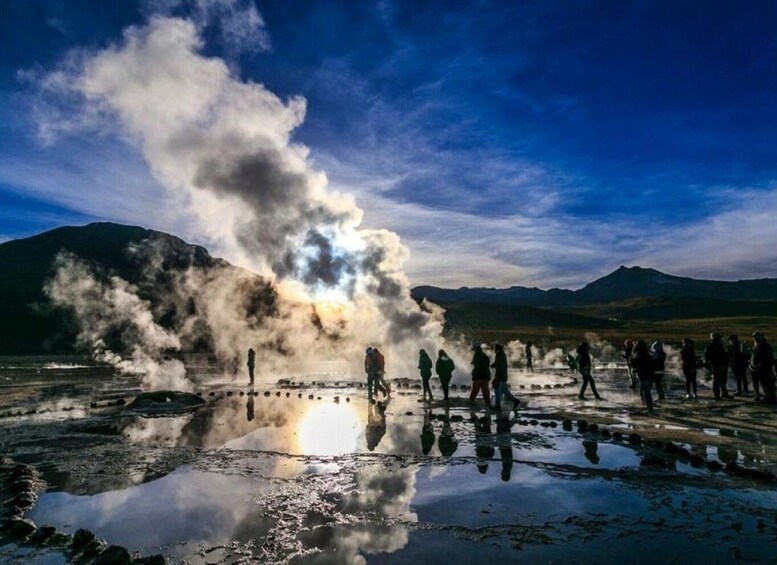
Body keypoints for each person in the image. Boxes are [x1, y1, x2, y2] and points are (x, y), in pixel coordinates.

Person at [491, 343, 520, 410]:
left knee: (497, 391)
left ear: (497, 349)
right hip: (503, 376)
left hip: (500, 376)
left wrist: (494, 366)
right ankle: (515, 401)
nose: (494, 350)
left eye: (495, 349)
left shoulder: (500, 355)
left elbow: (499, 365)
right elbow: (498, 363)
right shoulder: (501, 355)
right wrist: (494, 364)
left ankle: (497, 406)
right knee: (506, 392)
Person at [751, 332, 776, 404]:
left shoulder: (764, 346)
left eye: (756, 337)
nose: (755, 338)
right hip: (760, 367)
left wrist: (760, 363)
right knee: (764, 382)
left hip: (765, 367)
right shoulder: (758, 345)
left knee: (767, 382)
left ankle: (770, 397)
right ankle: (769, 397)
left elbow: (767, 357)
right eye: (754, 337)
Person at [631, 339, 655, 413]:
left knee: (646, 392)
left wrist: (631, 361)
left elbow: (635, 365)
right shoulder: (648, 354)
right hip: (650, 375)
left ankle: (650, 408)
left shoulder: (639, 354)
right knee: (644, 391)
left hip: (643, 375)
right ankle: (647, 405)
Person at [704, 332, 731, 400]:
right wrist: (713, 363)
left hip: (723, 364)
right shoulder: (711, 345)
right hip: (717, 365)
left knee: (723, 380)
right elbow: (707, 356)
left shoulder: (720, 345)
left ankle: (724, 394)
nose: (720, 338)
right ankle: (717, 395)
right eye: (719, 337)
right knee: (717, 381)